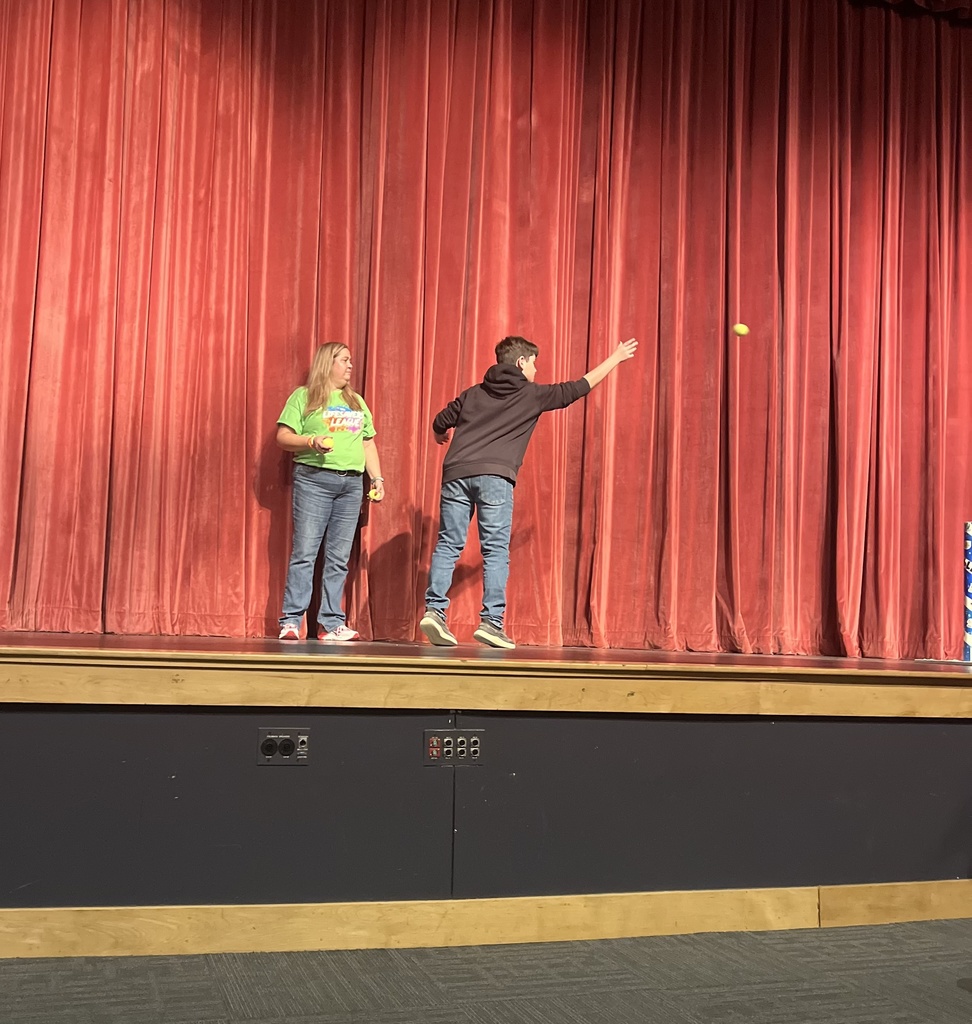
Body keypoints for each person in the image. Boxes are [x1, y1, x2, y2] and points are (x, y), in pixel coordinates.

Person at [420, 335, 638, 649]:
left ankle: (434, 611)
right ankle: (491, 623)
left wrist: (442, 433)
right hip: (495, 476)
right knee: (495, 550)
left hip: (456, 473)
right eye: (534, 363)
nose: (536, 370)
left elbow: (441, 420)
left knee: (448, 543)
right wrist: (615, 358)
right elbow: (578, 388)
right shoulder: (530, 394)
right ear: (521, 362)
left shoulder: (473, 393)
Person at [276, 342, 384, 642]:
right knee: (305, 553)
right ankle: (291, 620)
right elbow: (283, 437)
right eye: (344, 360)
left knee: (338, 558)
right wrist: (311, 441)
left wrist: (377, 479)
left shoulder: (356, 401)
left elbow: (367, 443)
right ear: (328, 362)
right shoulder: (304, 396)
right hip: (314, 481)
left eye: (350, 360)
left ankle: (330, 623)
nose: (350, 366)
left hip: (351, 485)